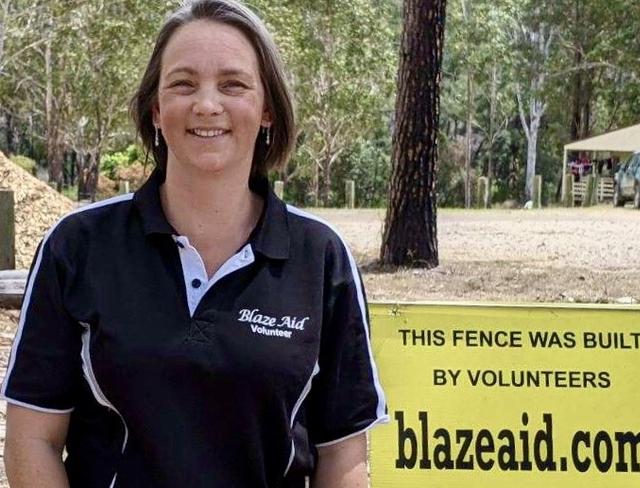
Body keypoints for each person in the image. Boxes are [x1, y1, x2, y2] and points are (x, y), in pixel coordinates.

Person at [1, 1, 388, 487]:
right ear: (156, 110)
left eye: (233, 84)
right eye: (183, 84)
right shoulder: (77, 247)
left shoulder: (321, 259)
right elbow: (32, 438)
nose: (207, 104)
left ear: (267, 108)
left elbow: (343, 460)